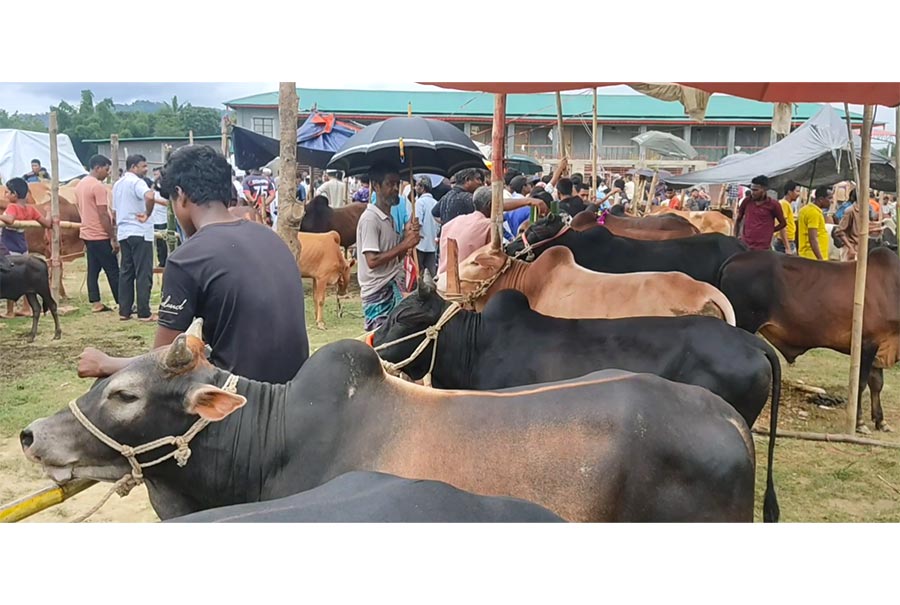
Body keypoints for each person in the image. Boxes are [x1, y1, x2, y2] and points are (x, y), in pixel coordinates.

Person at [77, 145, 310, 384]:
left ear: (181, 195)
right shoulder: (271, 238)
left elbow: (162, 362)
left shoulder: (188, 258)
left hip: (240, 403)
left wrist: (107, 363)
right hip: (294, 395)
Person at [357, 161, 421, 331]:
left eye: (397, 183)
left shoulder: (390, 218)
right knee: (384, 344)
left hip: (393, 285)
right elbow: (372, 260)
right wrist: (405, 244)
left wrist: (408, 238)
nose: (394, 188)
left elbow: (395, 258)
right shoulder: (371, 219)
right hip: (377, 291)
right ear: (376, 186)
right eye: (389, 184)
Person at [112, 154, 160, 322]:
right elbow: (150, 196)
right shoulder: (137, 182)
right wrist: (147, 213)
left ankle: (124, 311)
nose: (146, 169)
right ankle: (144, 312)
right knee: (143, 272)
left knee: (126, 271)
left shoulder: (117, 184)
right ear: (133, 167)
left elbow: (114, 211)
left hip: (124, 231)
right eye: (143, 166)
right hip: (139, 231)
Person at [74, 155, 120, 313]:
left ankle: (96, 301)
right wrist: (112, 237)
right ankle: (123, 301)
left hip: (87, 233)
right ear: (98, 167)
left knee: (93, 269)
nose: (107, 173)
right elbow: (103, 214)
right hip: (100, 234)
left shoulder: (80, 185)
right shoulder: (98, 187)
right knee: (113, 270)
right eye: (106, 170)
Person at [1, 177, 51, 317]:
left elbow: (10, 220)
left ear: (14, 194)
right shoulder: (30, 209)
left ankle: (10, 310)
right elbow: (47, 223)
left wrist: (1, 216)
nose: (6, 195)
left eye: (7, 192)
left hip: (9, 245)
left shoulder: (12, 207)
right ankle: (26, 307)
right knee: (25, 278)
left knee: (9, 276)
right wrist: (48, 212)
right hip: (22, 246)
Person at [438, 185, 493, 275]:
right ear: (490, 205)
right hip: (468, 281)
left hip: (442, 277)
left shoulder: (453, 222)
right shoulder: (489, 225)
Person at [733, 175, 786, 252]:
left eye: (755, 190)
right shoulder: (747, 201)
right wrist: (736, 236)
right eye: (751, 190)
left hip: (763, 248)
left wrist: (770, 230)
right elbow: (738, 219)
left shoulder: (773, 205)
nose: (752, 193)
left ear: (764, 190)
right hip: (745, 246)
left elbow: (783, 223)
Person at [412, 177, 439, 277]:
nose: (415, 188)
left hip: (420, 242)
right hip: (432, 242)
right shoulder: (435, 202)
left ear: (422, 187)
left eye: (417, 185)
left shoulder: (420, 202)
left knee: (418, 272)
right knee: (432, 274)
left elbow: (417, 223)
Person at [797, 186, 831, 261]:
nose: (831, 201)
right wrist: (820, 259)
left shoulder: (805, 209)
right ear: (821, 199)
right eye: (829, 198)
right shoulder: (814, 213)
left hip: (806, 255)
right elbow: (812, 238)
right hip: (813, 258)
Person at [149, 167, 169, 268]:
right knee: (157, 244)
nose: (155, 176)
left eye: (157, 174)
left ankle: (164, 262)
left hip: (162, 219)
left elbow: (167, 203)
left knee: (163, 243)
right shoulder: (153, 186)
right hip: (154, 219)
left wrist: (154, 200)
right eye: (154, 174)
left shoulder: (164, 187)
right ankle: (160, 261)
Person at [773, 181, 800, 255]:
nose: (798, 194)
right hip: (784, 242)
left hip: (787, 241)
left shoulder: (787, 204)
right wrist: (787, 247)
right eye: (797, 191)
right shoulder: (784, 204)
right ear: (789, 192)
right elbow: (782, 226)